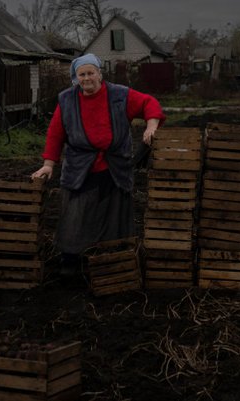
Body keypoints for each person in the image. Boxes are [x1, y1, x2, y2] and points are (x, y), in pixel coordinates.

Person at [31, 53, 165, 277]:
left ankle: (113, 259)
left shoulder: (119, 95)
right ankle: (70, 260)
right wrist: (48, 164)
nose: (86, 78)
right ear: (76, 77)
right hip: (80, 168)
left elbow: (149, 103)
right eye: (81, 74)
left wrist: (151, 126)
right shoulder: (67, 100)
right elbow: (55, 134)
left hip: (114, 167)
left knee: (115, 216)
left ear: (100, 74)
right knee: (75, 214)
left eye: (90, 73)